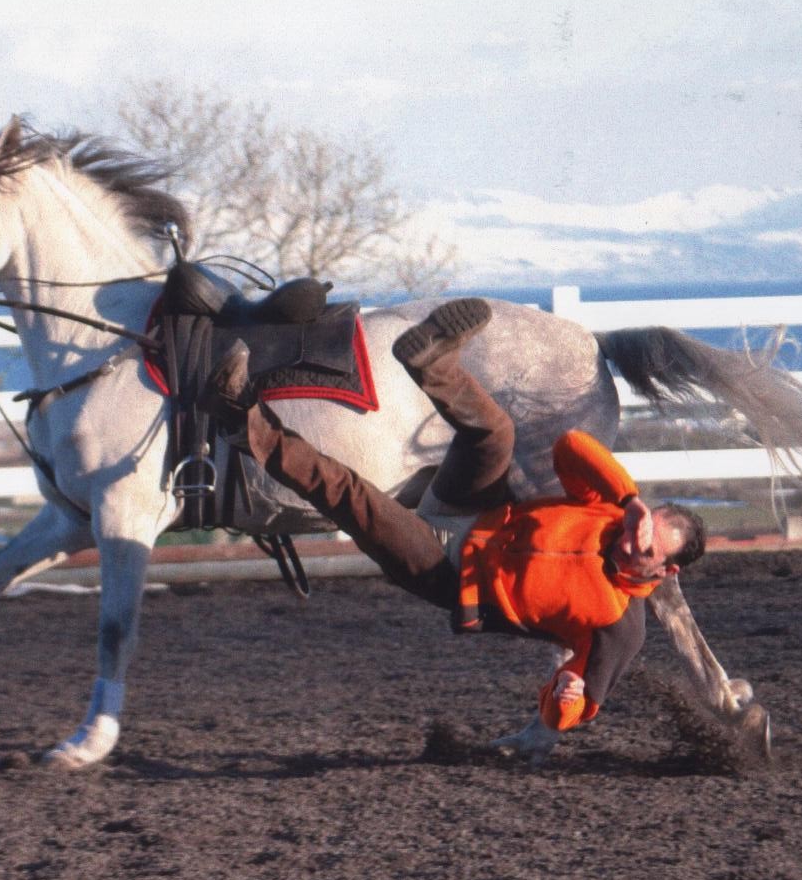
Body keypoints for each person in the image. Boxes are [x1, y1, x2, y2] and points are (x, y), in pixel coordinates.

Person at [206, 297, 706, 762]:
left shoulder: (621, 627)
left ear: (665, 570)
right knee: (495, 434)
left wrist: (565, 698)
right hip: (477, 510)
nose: (630, 538)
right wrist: (630, 499)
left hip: (447, 572)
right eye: (643, 527)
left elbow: (572, 708)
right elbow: (571, 445)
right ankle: (431, 362)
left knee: (349, 492)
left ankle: (241, 419)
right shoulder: (614, 512)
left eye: (643, 548)